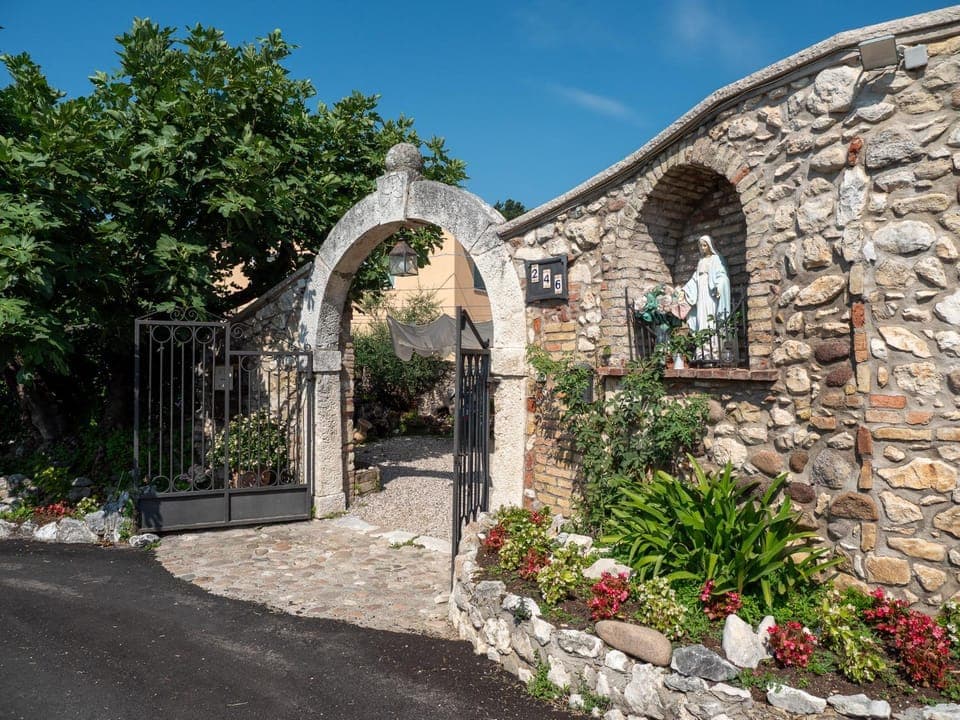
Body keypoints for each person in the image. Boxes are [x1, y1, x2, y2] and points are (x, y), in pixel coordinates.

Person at [682, 235, 730, 361]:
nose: (702, 248)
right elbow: (694, 279)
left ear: (710, 246)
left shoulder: (716, 259)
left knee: (712, 319)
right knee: (701, 319)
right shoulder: (701, 261)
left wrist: (719, 286)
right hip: (701, 294)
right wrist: (685, 290)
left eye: (704, 245)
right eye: (700, 246)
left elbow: (723, 275)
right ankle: (702, 350)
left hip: (712, 294)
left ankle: (715, 350)